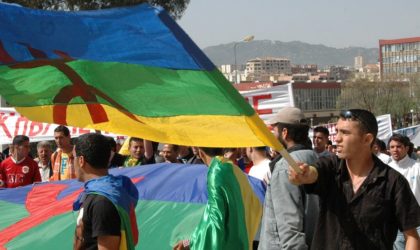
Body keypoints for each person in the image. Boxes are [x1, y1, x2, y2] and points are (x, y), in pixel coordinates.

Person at [288, 109, 420, 249]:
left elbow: (411, 236)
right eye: (337, 131)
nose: (337, 138)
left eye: (345, 132)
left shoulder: (393, 182)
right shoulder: (331, 168)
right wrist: (304, 174)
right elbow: (314, 172)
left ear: (367, 139)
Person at [173, 147, 262, 250]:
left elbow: (215, 222)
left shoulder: (216, 171)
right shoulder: (234, 169)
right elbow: (254, 206)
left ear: (201, 153)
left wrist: (188, 242)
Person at [259, 107, 319, 249]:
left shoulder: (285, 166)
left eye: (274, 130)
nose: (273, 135)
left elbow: (289, 227)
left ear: (284, 133)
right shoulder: (316, 159)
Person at [73, 133, 139, 250]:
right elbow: (134, 238)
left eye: (73, 158)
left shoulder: (102, 201)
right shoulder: (112, 192)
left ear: (81, 160)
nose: (72, 163)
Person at [387, 134, 420, 249]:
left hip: (417, 222)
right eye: (392, 147)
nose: (395, 150)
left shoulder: (417, 168)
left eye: (399, 146)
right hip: (396, 224)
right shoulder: (386, 170)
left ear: (406, 148)